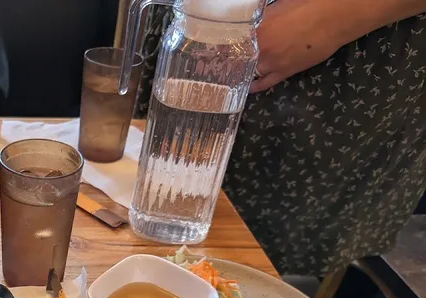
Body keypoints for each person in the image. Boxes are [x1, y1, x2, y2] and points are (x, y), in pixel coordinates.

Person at [136, 0, 426, 277]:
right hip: (197, 22)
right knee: (160, 176)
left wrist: (341, 14)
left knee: (247, 248)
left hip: (335, 47)